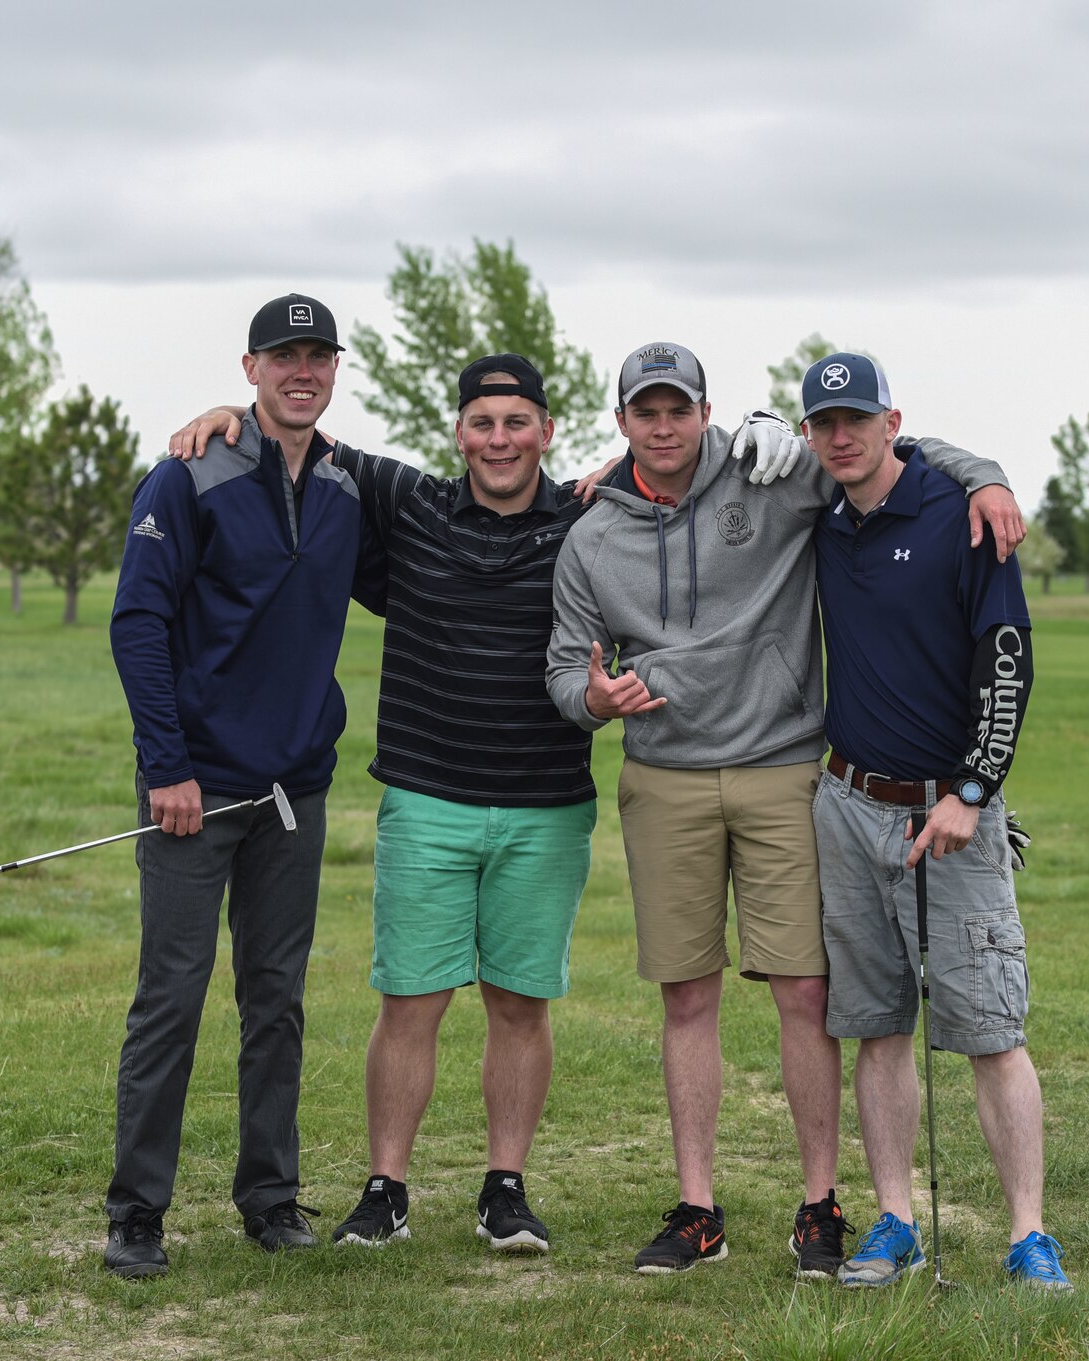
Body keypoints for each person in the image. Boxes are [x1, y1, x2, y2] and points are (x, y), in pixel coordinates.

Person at [164, 355, 807, 1256]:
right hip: (428, 797)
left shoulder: (592, 513)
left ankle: (505, 1188)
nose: (499, 439)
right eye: (482, 423)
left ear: (548, 431)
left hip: (546, 804)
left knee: (519, 1003)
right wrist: (228, 409)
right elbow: (296, 425)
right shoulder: (406, 500)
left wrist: (765, 425)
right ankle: (386, 1188)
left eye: (517, 423)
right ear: (459, 432)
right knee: (410, 1000)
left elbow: (674, 463)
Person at [543, 342, 1026, 1277]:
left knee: (807, 993)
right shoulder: (590, 534)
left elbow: (893, 455)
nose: (664, 424)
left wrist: (989, 476)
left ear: (705, 410)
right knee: (687, 995)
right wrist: (593, 700)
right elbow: (567, 665)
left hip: (783, 769)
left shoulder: (775, 476)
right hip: (666, 777)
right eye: (646, 411)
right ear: (622, 424)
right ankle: (696, 1209)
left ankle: (820, 1203)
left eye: (678, 407)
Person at [102, 293, 370, 1278]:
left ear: (334, 368)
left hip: (292, 793)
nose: (302, 371)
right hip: (195, 790)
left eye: (318, 356)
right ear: (250, 367)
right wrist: (165, 765)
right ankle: (137, 1209)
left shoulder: (346, 487)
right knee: (170, 995)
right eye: (282, 356)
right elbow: (137, 623)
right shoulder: (186, 476)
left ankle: (269, 1196)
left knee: (276, 998)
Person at [798, 352, 1070, 1291]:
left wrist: (975, 789)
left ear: (891, 421)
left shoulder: (961, 516)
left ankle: (1029, 1233)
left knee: (991, 1028)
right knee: (876, 1024)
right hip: (846, 804)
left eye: (856, 420)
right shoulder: (822, 519)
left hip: (950, 812)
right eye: (824, 423)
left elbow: (1008, 662)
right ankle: (895, 1220)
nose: (841, 437)